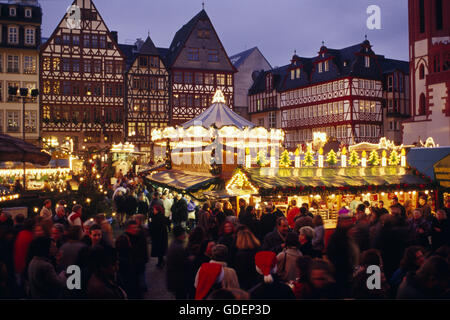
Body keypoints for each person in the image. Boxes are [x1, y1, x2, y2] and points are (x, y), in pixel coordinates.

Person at [326, 217, 360, 298]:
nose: (349, 223)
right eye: (347, 221)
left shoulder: (345, 237)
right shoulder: (338, 238)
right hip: (343, 274)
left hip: (347, 273)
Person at [115, 220, 148, 299]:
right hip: (130, 269)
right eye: (134, 228)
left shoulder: (139, 236)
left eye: (137, 227)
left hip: (138, 266)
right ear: (127, 229)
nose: (136, 229)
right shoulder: (123, 239)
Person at [166, 226, 190, 299]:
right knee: (181, 296)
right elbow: (182, 263)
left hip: (175, 278)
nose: (186, 234)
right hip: (178, 279)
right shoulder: (178, 247)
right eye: (184, 233)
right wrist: (190, 259)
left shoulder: (174, 244)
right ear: (181, 234)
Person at [149, 204, 168, 268]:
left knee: (160, 249)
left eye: (154, 209)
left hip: (159, 236)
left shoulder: (159, 217)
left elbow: (156, 226)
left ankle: (161, 262)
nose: (153, 211)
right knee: (160, 250)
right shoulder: (157, 216)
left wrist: (150, 224)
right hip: (159, 236)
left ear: (157, 210)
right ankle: (161, 261)